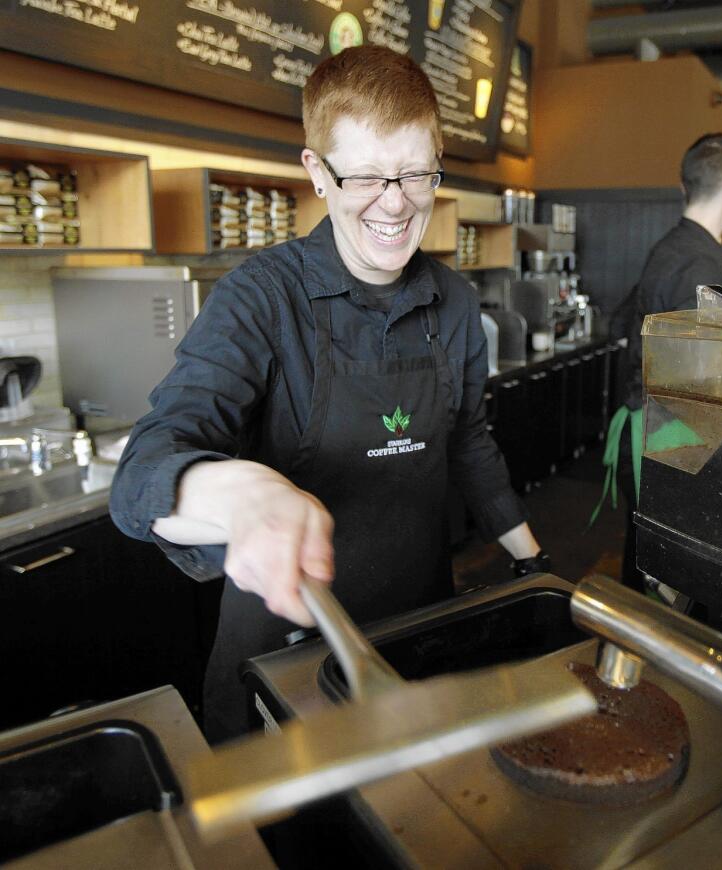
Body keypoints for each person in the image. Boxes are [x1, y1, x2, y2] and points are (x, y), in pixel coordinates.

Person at [110, 46, 547, 741]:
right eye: (368, 176)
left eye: (415, 174)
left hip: (420, 635)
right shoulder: (261, 297)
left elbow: (468, 440)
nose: (396, 203)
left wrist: (534, 563)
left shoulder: (457, 302)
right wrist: (240, 494)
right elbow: (143, 474)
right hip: (282, 668)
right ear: (317, 173)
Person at [598, 133, 722, 590]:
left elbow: (619, 324)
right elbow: (705, 380)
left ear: (685, 187)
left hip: (644, 430)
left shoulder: (668, 249)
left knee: (644, 561)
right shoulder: (701, 265)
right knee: (662, 578)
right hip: (667, 439)